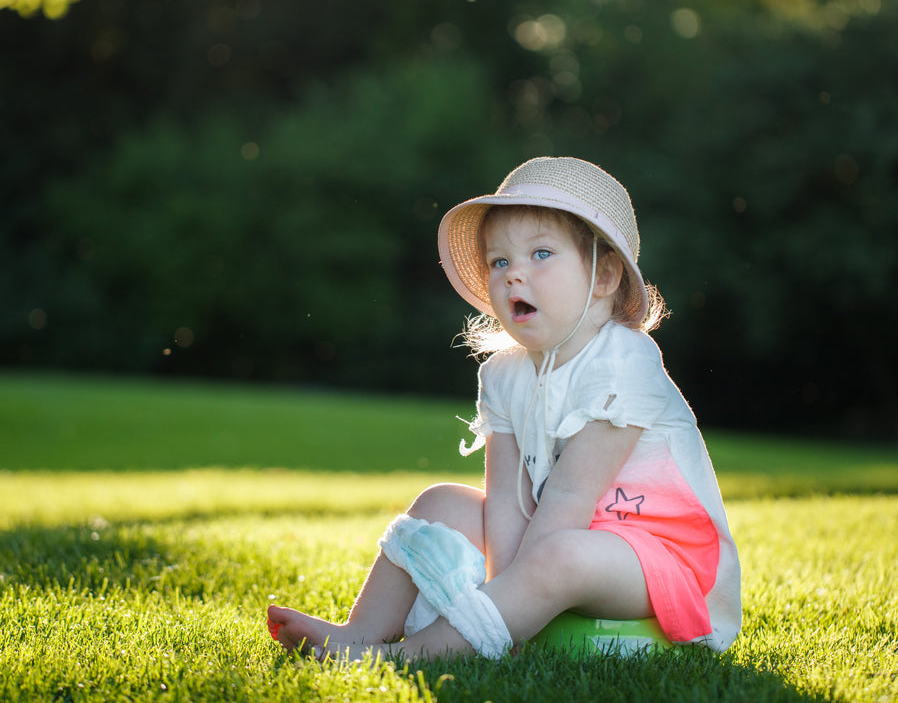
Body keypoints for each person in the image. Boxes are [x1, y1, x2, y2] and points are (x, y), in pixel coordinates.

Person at [267, 156, 741, 661]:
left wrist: (507, 607)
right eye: (500, 262)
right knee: (440, 502)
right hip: (564, 538)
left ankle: (407, 657)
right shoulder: (504, 374)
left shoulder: (624, 364)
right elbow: (508, 501)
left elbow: (568, 499)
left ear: (604, 276)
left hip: (658, 560)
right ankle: (360, 631)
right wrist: (507, 599)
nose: (514, 274)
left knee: (562, 554)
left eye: (540, 253)